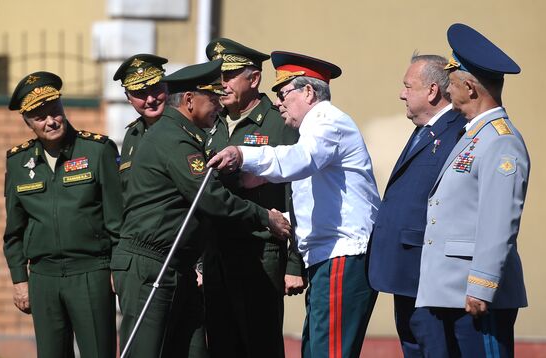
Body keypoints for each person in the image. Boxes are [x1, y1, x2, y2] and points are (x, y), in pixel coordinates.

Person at [111, 59, 291, 357]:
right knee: (146, 350)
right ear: (190, 100)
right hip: (151, 263)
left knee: (194, 350)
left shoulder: (187, 136)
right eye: (213, 98)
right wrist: (265, 217)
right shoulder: (175, 139)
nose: (220, 106)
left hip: (177, 264)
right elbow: (210, 198)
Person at [208, 51, 381, 358]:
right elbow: (313, 197)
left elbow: (299, 161)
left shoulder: (327, 121)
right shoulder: (312, 130)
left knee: (329, 351)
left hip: (342, 253)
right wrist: (279, 217)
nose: (278, 103)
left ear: (309, 92)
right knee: (315, 349)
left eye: (284, 93)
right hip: (326, 254)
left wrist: (243, 155)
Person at [415, 23, 530, 357]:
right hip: (450, 291)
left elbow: (499, 220)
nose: (447, 92)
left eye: (451, 83)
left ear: (469, 86)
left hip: (475, 296)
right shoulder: (473, 135)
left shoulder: (501, 141)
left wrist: (482, 285)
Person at [3, 71, 122, 358]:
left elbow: (117, 220)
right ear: (28, 123)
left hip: (91, 272)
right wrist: (20, 279)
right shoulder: (19, 162)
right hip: (44, 277)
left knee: (98, 352)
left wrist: (117, 269)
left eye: (54, 111)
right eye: (40, 117)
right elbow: (14, 230)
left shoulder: (97, 151)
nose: (51, 121)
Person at [203, 38, 306, 358]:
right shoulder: (211, 121)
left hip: (260, 251)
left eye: (230, 75)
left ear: (254, 79)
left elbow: (297, 192)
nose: (222, 84)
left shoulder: (279, 122)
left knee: (259, 343)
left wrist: (294, 262)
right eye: (219, 75)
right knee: (221, 343)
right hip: (216, 252)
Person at [367, 54, 466, 356]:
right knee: (414, 347)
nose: (402, 94)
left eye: (408, 86)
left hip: (427, 274)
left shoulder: (458, 130)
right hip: (407, 271)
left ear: (432, 90)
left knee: (434, 349)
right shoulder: (425, 129)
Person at [112, 53, 168, 196]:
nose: (150, 99)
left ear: (167, 85)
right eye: (140, 93)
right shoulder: (132, 134)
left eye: (155, 88)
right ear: (128, 98)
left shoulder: (185, 125)